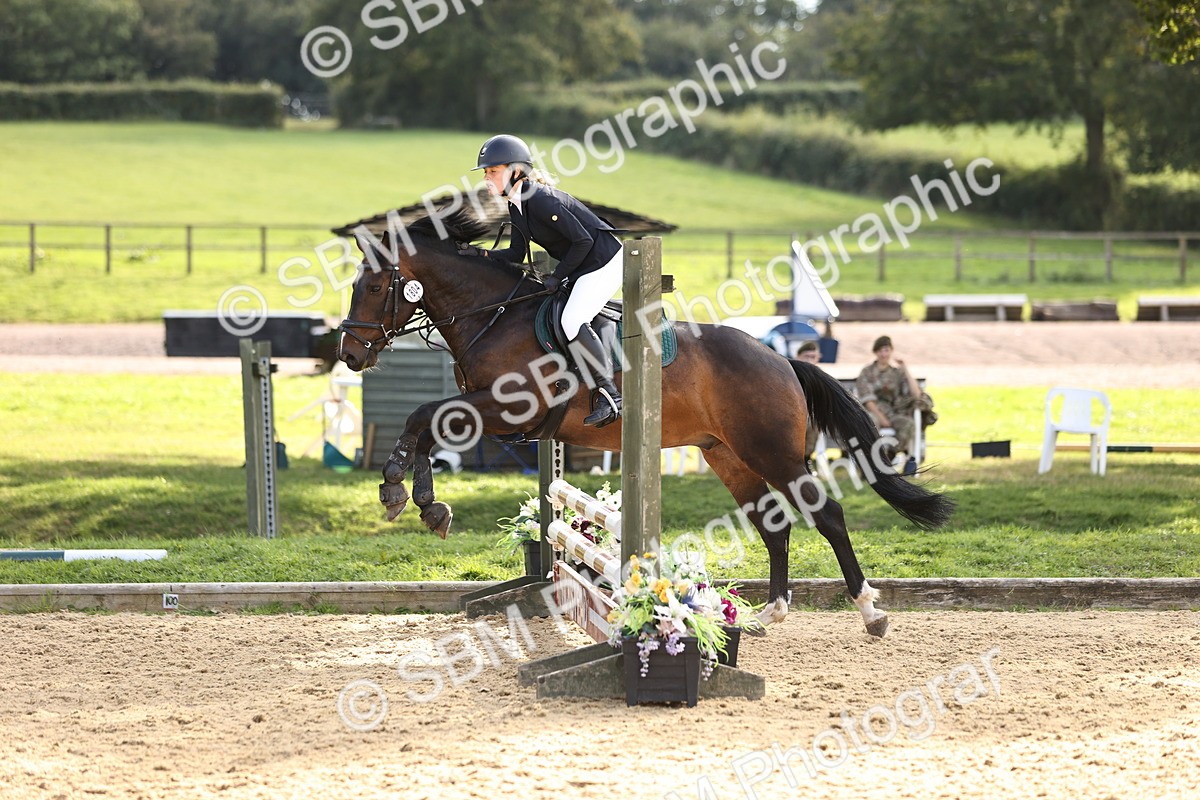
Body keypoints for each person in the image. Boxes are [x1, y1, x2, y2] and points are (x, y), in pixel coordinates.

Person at [473, 134, 623, 427]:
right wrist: (481, 256)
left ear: (516, 171)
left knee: (571, 321)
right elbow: (517, 251)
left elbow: (581, 241)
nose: (487, 178)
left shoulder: (539, 199)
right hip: (585, 264)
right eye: (486, 173)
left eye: (493, 171)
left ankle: (611, 395)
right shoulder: (517, 204)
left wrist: (558, 276)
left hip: (605, 262)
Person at [854, 335, 936, 475]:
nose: (884, 354)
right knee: (870, 424)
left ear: (891, 351)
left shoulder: (896, 373)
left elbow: (916, 394)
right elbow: (868, 400)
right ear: (875, 352)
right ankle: (868, 465)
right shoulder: (867, 372)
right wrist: (881, 418)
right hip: (873, 412)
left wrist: (905, 369)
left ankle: (888, 458)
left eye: (886, 350)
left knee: (908, 424)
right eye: (880, 351)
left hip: (893, 413)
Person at [796, 340, 822, 461]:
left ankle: (807, 459)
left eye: (813, 357)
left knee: (813, 422)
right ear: (798, 357)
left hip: (812, 414)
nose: (809, 360)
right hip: (793, 412)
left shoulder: (820, 377)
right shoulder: (790, 374)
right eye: (806, 356)